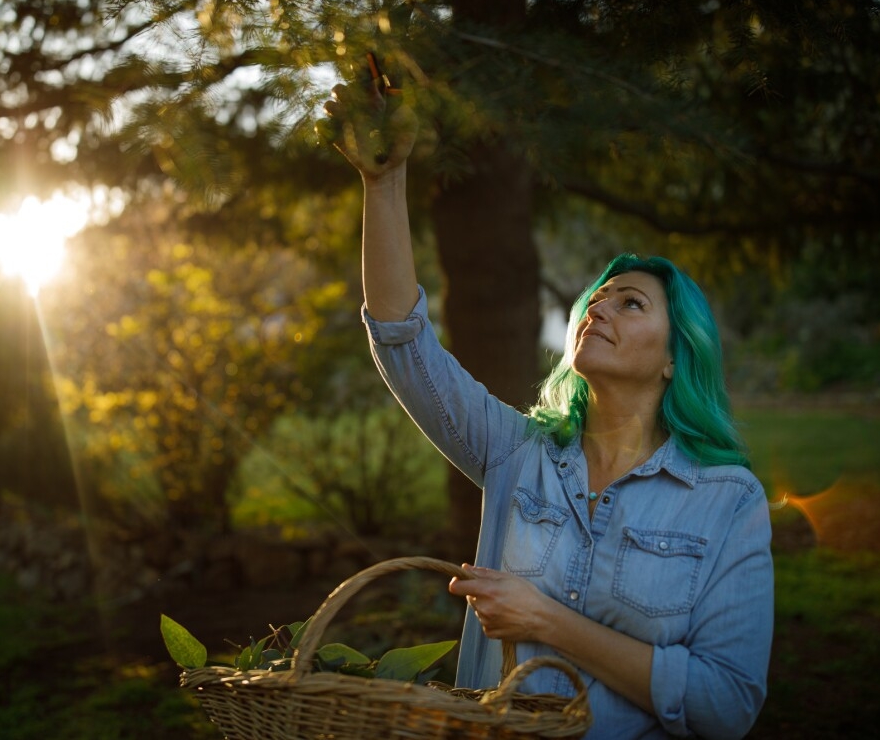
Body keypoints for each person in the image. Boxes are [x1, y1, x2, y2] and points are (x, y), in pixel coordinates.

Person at [322, 71, 774, 740]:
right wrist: (383, 183)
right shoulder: (515, 450)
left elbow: (727, 703)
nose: (599, 306)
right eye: (597, 296)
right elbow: (403, 343)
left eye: (631, 302)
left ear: (677, 356)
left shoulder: (728, 500)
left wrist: (547, 620)